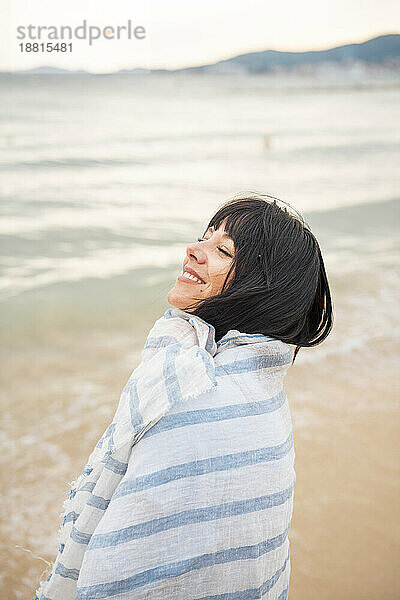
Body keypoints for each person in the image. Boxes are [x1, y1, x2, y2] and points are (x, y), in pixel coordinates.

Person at [34, 194, 333, 600]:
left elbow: (126, 573)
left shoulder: (192, 395)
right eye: (204, 238)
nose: (193, 250)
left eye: (223, 250)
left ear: (261, 287)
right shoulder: (260, 393)